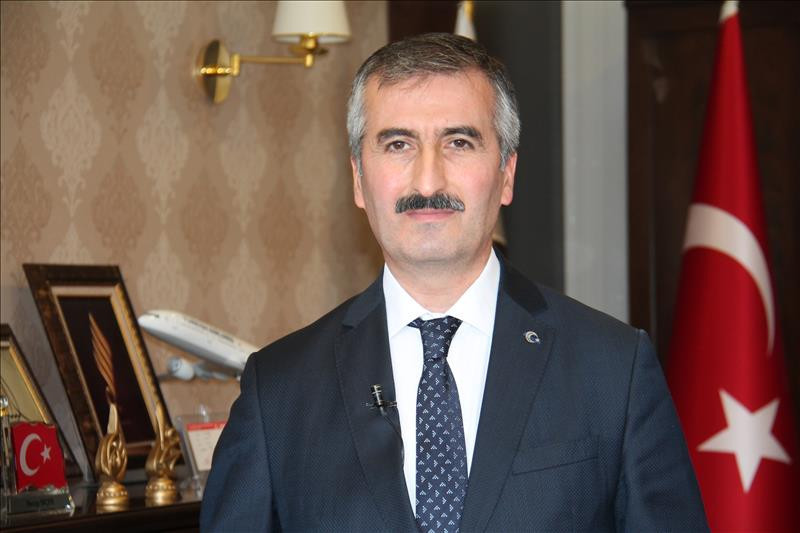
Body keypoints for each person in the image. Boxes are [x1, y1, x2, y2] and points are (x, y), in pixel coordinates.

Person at [200, 33, 708, 532]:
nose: (428, 182)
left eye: (459, 143)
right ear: (358, 178)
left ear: (506, 174)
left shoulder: (613, 371)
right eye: (398, 144)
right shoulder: (278, 391)